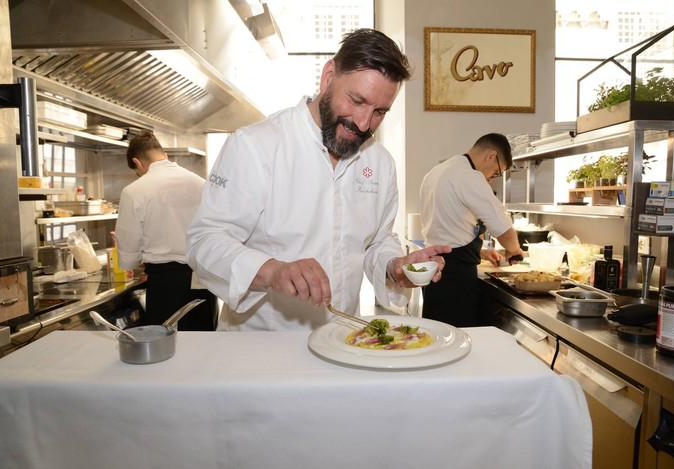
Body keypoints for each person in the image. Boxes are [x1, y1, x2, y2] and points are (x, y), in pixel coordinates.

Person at [186, 28, 451, 331]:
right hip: (261, 347)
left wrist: (394, 267)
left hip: (340, 339)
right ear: (328, 77)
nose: (364, 123)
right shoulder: (256, 145)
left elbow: (378, 241)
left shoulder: (380, 163)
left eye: (379, 112)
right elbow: (204, 240)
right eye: (356, 100)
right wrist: (271, 271)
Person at [115, 130, 218, 331]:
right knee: (204, 344)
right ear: (165, 156)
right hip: (204, 278)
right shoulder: (200, 183)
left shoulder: (134, 190)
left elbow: (129, 252)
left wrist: (135, 261)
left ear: (137, 163)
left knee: (166, 346)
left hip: (166, 282)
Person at [419, 133, 525, 327]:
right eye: (496, 172)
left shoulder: (439, 170)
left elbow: (449, 226)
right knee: (458, 339)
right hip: (454, 277)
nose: (491, 179)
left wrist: (481, 252)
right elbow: (501, 225)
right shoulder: (468, 175)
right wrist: (515, 250)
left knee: (437, 336)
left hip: (434, 268)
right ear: (491, 156)